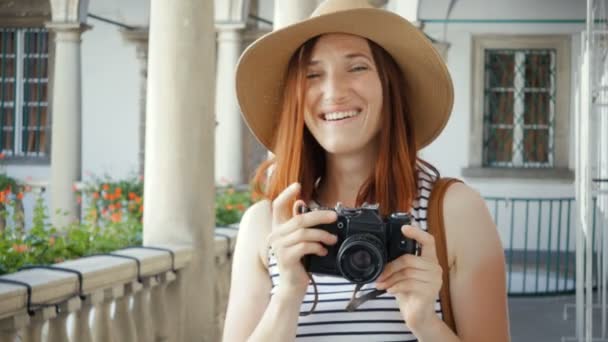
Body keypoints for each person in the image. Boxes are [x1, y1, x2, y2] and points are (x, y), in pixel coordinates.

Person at [222, 0, 510, 341]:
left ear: (391, 86)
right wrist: (287, 292)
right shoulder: (266, 224)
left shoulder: (454, 212)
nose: (333, 92)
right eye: (313, 75)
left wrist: (424, 321)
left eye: (357, 68)